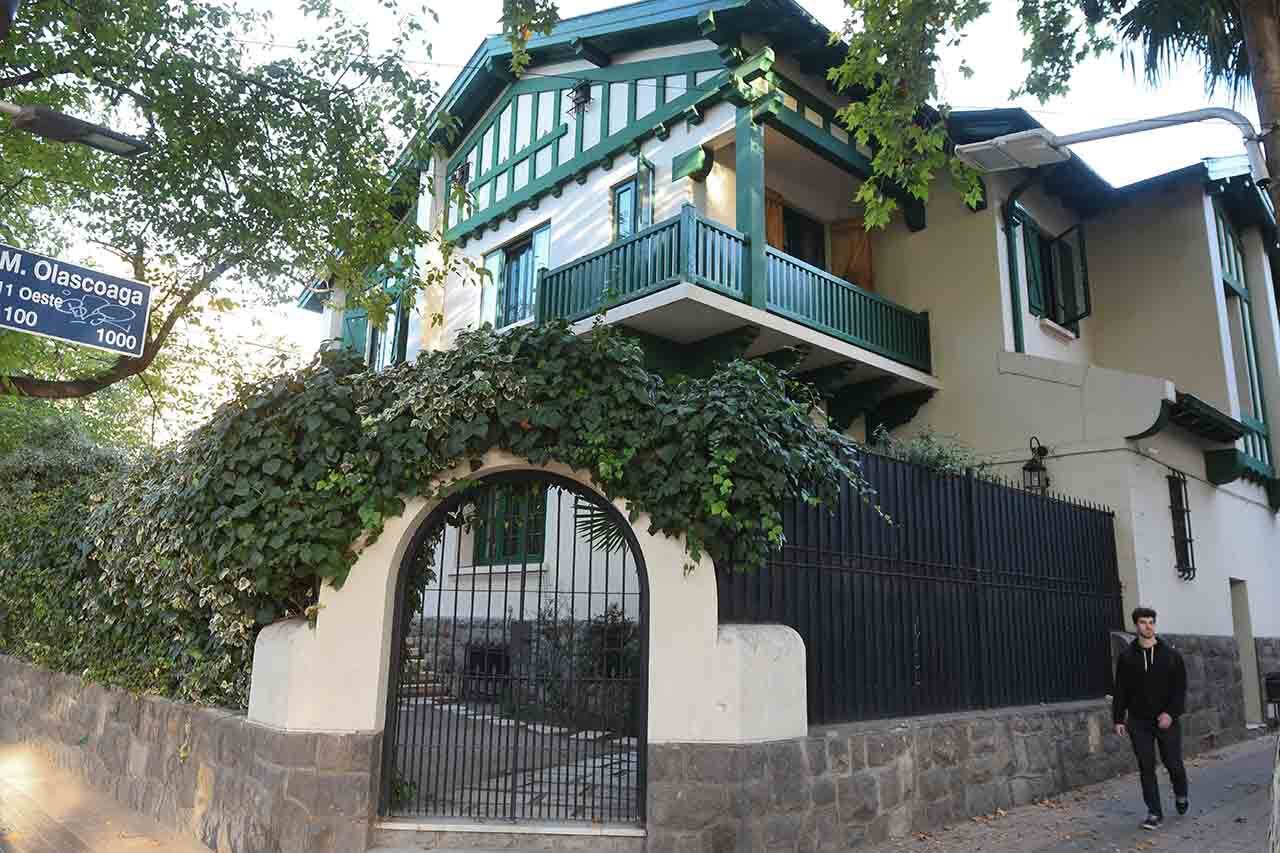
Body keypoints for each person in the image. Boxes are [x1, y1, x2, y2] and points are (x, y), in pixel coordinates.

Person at [1112, 606, 1189, 831]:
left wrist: (1170, 714)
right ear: (1136, 626)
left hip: (1166, 720)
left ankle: (1181, 793)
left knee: (1173, 763)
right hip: (1138, 722)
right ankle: (1154, 812)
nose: (1148, 626)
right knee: (1146, 767)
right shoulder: (1127, 658)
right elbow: (1121, 690)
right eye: (1144, 622)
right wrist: (1118, 718)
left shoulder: (1171, 655)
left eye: (1152, 622)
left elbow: (1179, 688)